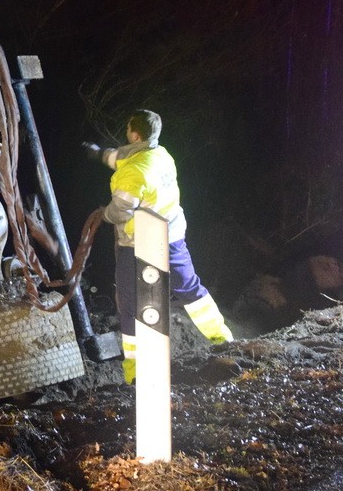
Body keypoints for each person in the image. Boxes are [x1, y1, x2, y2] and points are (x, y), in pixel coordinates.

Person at [83, 109, 233, 384]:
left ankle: (136, 372)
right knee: (189, 288)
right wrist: (100, 153)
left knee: (129, 305)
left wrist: (102, 215)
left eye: (128, 129)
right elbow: (123, 157)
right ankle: (223, 338)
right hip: (172, 234)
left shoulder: (135, 174)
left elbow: (119, 212)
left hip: (138, 244)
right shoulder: (160, 154)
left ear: (135, 134)